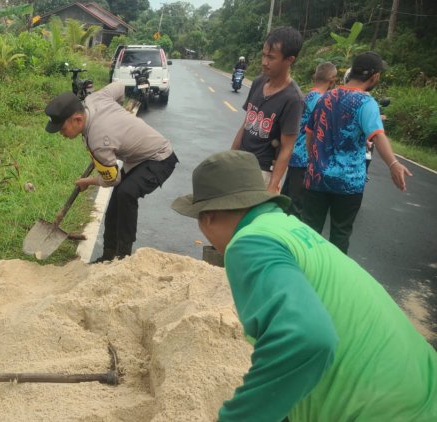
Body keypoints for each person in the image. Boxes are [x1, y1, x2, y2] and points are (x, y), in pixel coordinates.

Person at [171, 150, 437, 421]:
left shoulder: (249, 243)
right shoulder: (287, 228)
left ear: (207, 217)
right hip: (422, 391)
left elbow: (306, 339)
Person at [44, 84, 179, 262]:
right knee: (116, 203)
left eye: (62, 129)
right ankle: (108, 255)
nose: (61, 134)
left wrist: (88, 181)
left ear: (77, 119)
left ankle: (123, 256)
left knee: (126, 193)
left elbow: (112, 179)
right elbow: (121, 87)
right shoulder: (93, 99)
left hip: (160, 158)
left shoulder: (98, 140)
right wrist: (122, 114)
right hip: (137, 158)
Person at [303, 51, 412, 254]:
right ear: (375, 76)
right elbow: (378, 136)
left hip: (316, 177)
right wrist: (393, 164)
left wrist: (313, 160)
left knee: (309, 232)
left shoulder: (324, 98)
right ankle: (333, 280)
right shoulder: (366, 103)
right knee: (340, 235)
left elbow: (310, 135)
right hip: (348, 183)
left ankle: (305, 275)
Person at [230, 26, 304, 192]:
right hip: (239, 163)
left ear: (289, 60)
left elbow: (287, 148)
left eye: (271, 57)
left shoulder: (293, 99)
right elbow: (246, 124)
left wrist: (272, 187)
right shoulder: (258, 82)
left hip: (261, 173)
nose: (264, 62)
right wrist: (229, 157)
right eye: (263, 55)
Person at [281, 62, 337, 217]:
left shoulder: (307, 95)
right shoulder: (321, 101)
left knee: (286, 198)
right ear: (332, 81)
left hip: (294, 153)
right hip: (304, 157)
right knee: (297, 205)